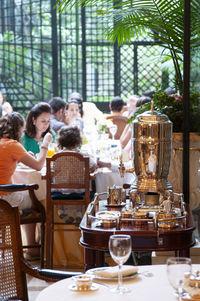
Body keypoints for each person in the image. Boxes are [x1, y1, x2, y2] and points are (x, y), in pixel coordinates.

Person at [0, 112, 53, 258]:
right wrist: (45, 145)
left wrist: (20, 158)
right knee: (41, 196)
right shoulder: (12, 144)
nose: (23, 133)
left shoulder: (3, 143)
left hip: (3, 196)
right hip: (6, 199)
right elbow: (38, 165)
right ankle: (40, 245)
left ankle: (33, 245)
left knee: (32, 195)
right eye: (22, 130)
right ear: (18, 130)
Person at [54, 125, 97, 224]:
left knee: (55, 188)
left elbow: (54, 171)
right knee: (86, 190)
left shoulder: (57, 156)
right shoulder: (83, 155)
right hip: (80, 190)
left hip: (62, 190)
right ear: (78, 141)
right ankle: (79, 213)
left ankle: (61, 211)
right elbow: (94, 165)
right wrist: (87, 171)